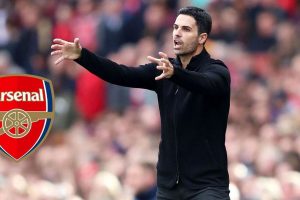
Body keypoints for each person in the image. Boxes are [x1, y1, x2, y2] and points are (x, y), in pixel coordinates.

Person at [51, 6, 231, 200]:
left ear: (202, 37)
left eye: (186, 29)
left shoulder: (216, 71)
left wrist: (176, 74)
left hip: (207, 187)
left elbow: (206, 84)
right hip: (169, 187)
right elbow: (120, 74)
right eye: (175, 27)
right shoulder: (164, 69)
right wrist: (82, 56)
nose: (177, 33)